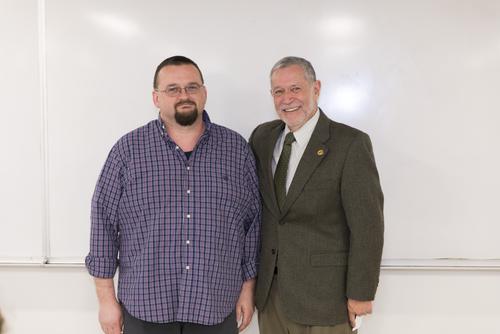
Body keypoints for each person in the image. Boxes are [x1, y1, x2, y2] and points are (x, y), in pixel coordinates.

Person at [86, 56, 261, 334]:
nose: (184, 95)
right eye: (173, 89)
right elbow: (103, 224)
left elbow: (252, 226)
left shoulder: (236, 150)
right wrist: (106, 300)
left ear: (203, 93)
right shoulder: (128, 151)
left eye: (192, 87)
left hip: (215, 304)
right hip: (145, 307)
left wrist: (247, 289)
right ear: (156, 98)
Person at [249, 56, 384, 334]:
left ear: (316, 88)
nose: (288, 98)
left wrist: (361, 293)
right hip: (271, 297)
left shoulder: (350, 144)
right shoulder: (262, 138)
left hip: (326, 299)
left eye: (296, 88)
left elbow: (367, 226)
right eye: (279, 91)